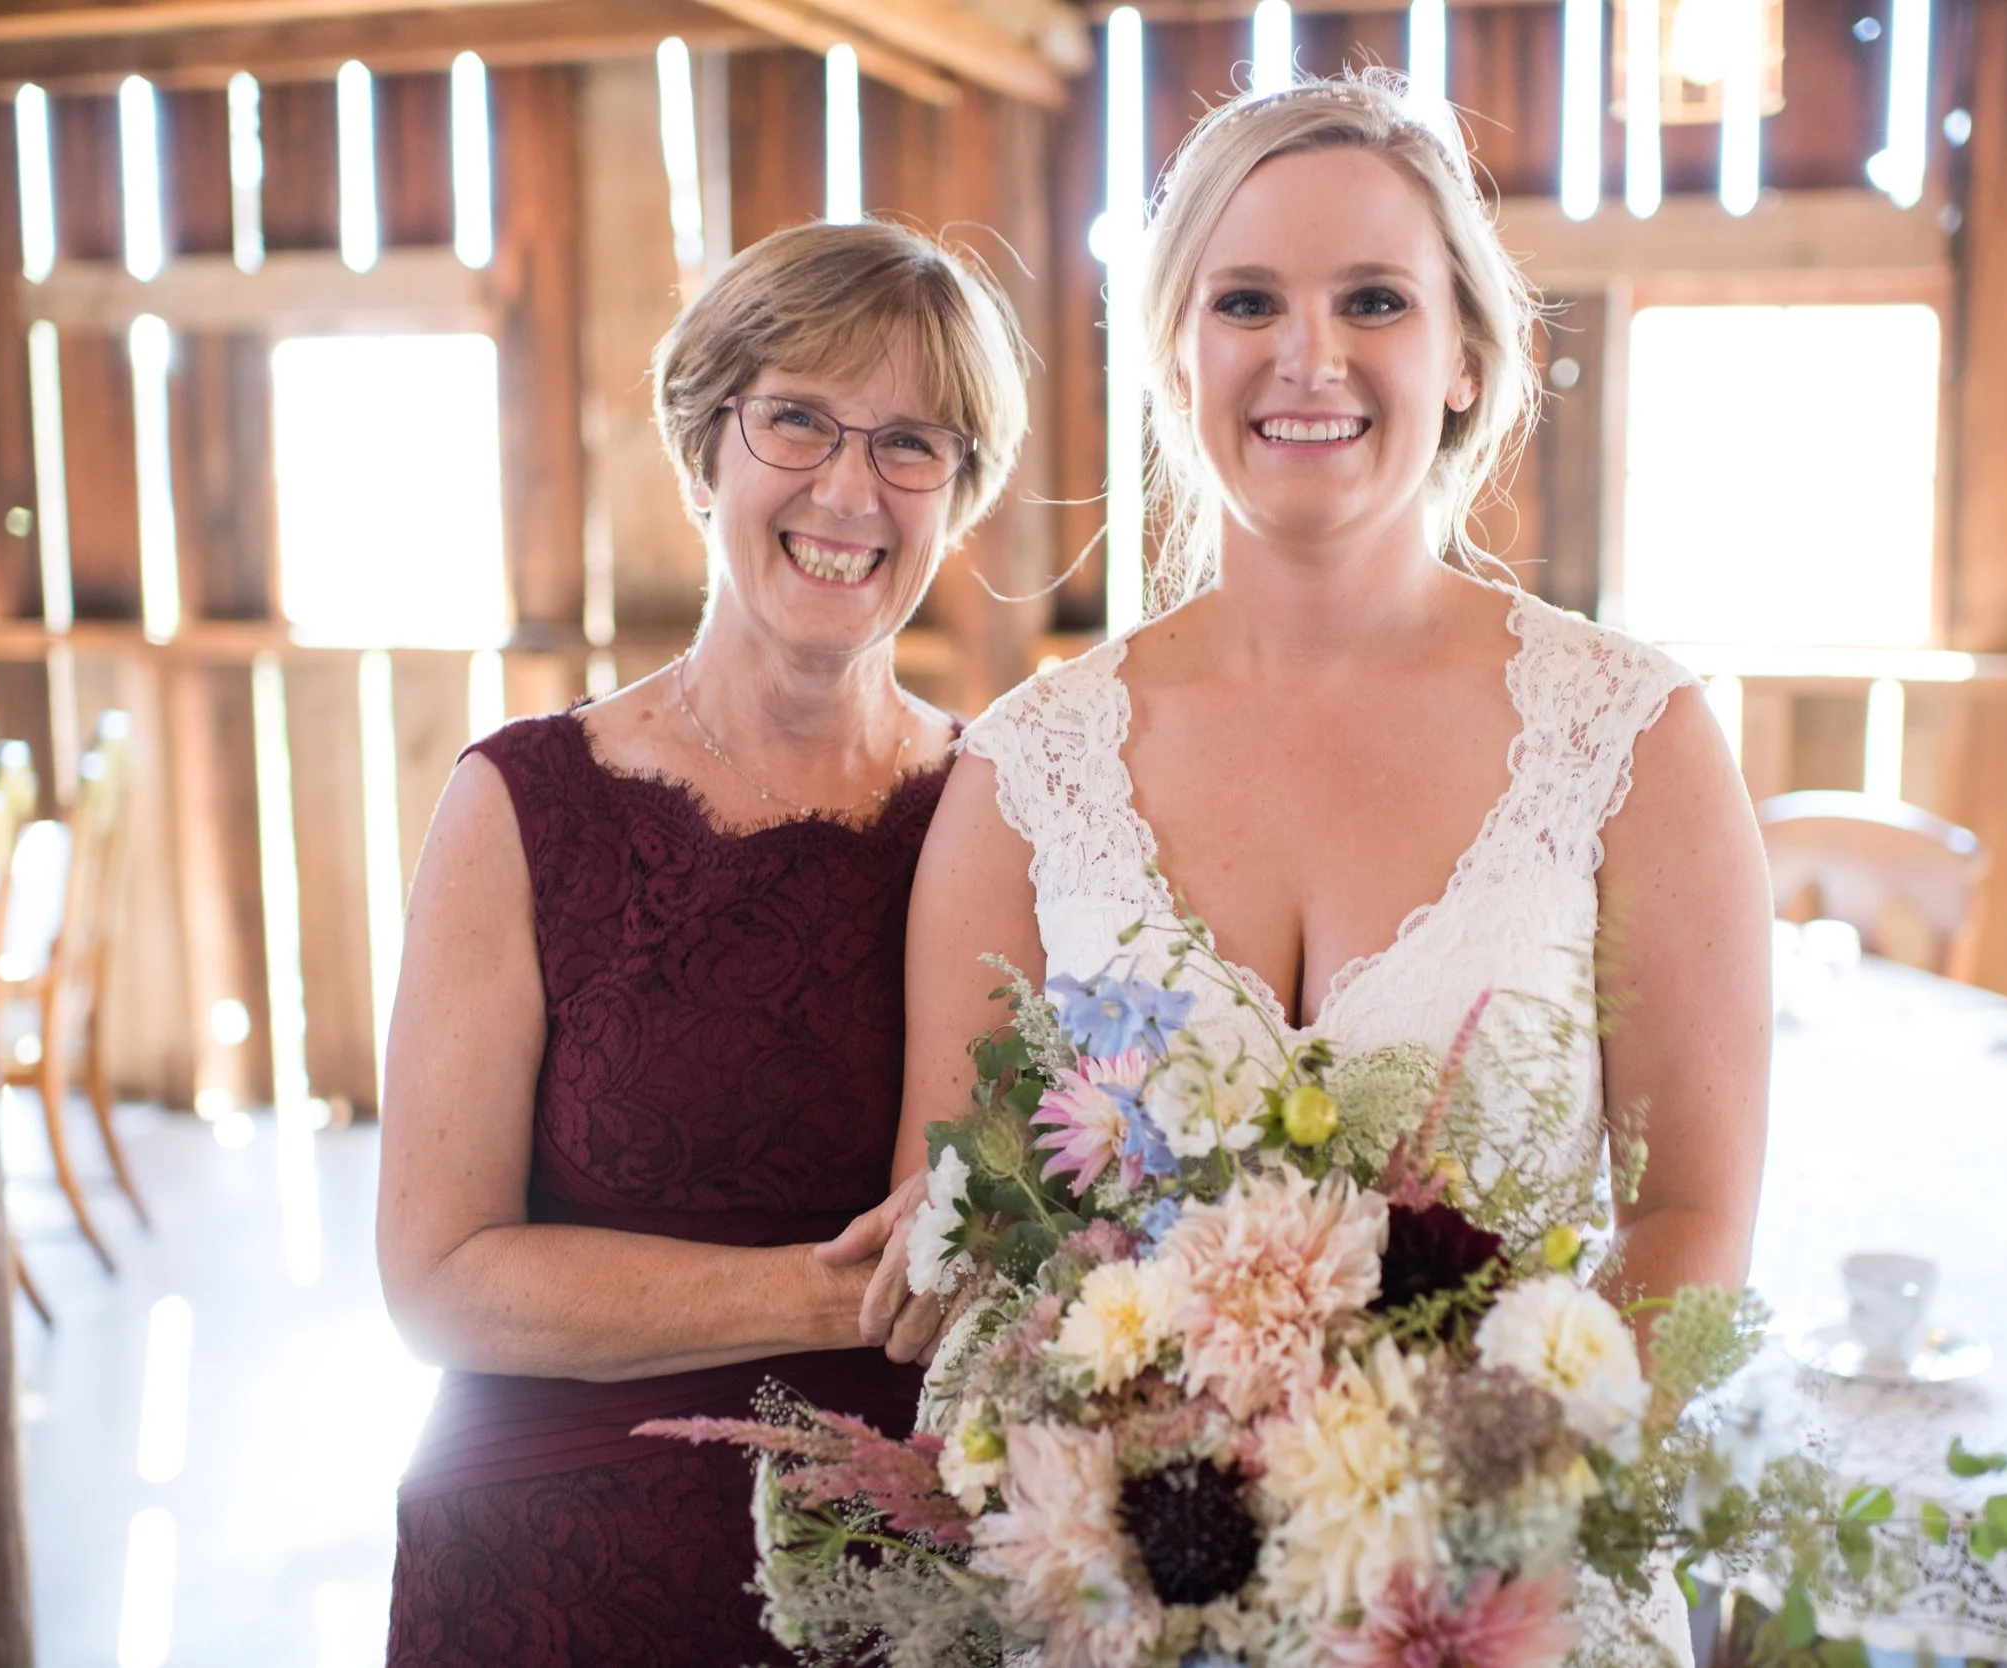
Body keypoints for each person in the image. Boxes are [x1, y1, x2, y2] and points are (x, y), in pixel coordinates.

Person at [866, 75, 1769, 1663]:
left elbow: (1691, 1211)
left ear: (1470, 353)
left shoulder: (1636, 742)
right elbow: (970, 1247)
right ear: (1173, 353)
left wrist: (1469, 1523)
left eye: (1375, 300)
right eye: (1246, 302)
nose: (1310, 356)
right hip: (1135, 1608)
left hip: (1514, 1592)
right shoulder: (1025, 773)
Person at [377, 218, 1028, 1666]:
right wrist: (823, 1293)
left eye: (913, 443)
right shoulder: (521, 806)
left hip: (888, 1562)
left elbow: (986, 1241)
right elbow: (437, 1279)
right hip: (544, 1552)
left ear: (958, 501)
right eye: (798, 418)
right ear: (703, 448)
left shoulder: (1006, 814)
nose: (850, 489)